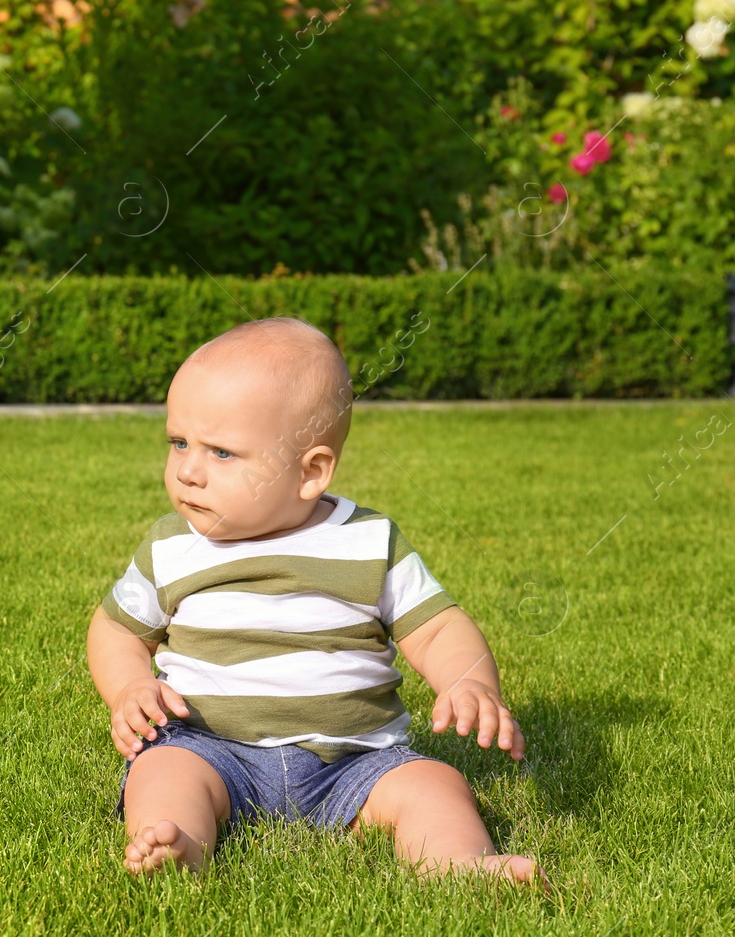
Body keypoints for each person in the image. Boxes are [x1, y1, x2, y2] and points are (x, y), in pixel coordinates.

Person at [87, 317, 545, 885]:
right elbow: (117, 630)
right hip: (211, 746)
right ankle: (177, 843)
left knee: (434, 785)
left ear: (311, 472)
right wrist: (130, 685)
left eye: (222, 453)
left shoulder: (368, 541)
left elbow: (436, 627)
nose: (188, 471)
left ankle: (457, 864)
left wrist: (469, 682)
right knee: (162, 771)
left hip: (355, 761)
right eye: (178, 442)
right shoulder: (173, 546)